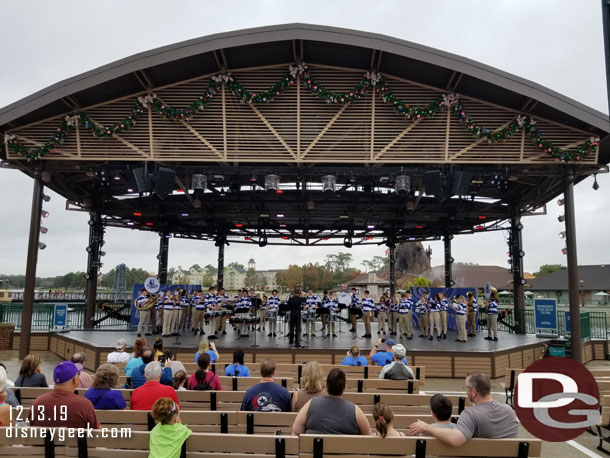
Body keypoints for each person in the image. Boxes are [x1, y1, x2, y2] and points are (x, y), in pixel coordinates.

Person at [408, 372, 518, 445]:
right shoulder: (509, 410)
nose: (465, 390)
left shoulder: (471, 414)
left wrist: (426, 427)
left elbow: (455, 439)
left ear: (474, 392)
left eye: (466, 388)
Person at [291, 368, 370, 435]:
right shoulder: (356, 411)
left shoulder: (310, 404)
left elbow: (295, 431)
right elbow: (368, 436)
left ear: (326, 385)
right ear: (344, 387)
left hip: (315, 452)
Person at [29, 361, 100, 428]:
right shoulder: (84, 405)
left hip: (43, 441)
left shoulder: (37, 403)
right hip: (74, 441)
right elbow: (97, 433)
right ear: (75, 380)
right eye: (78, 374)